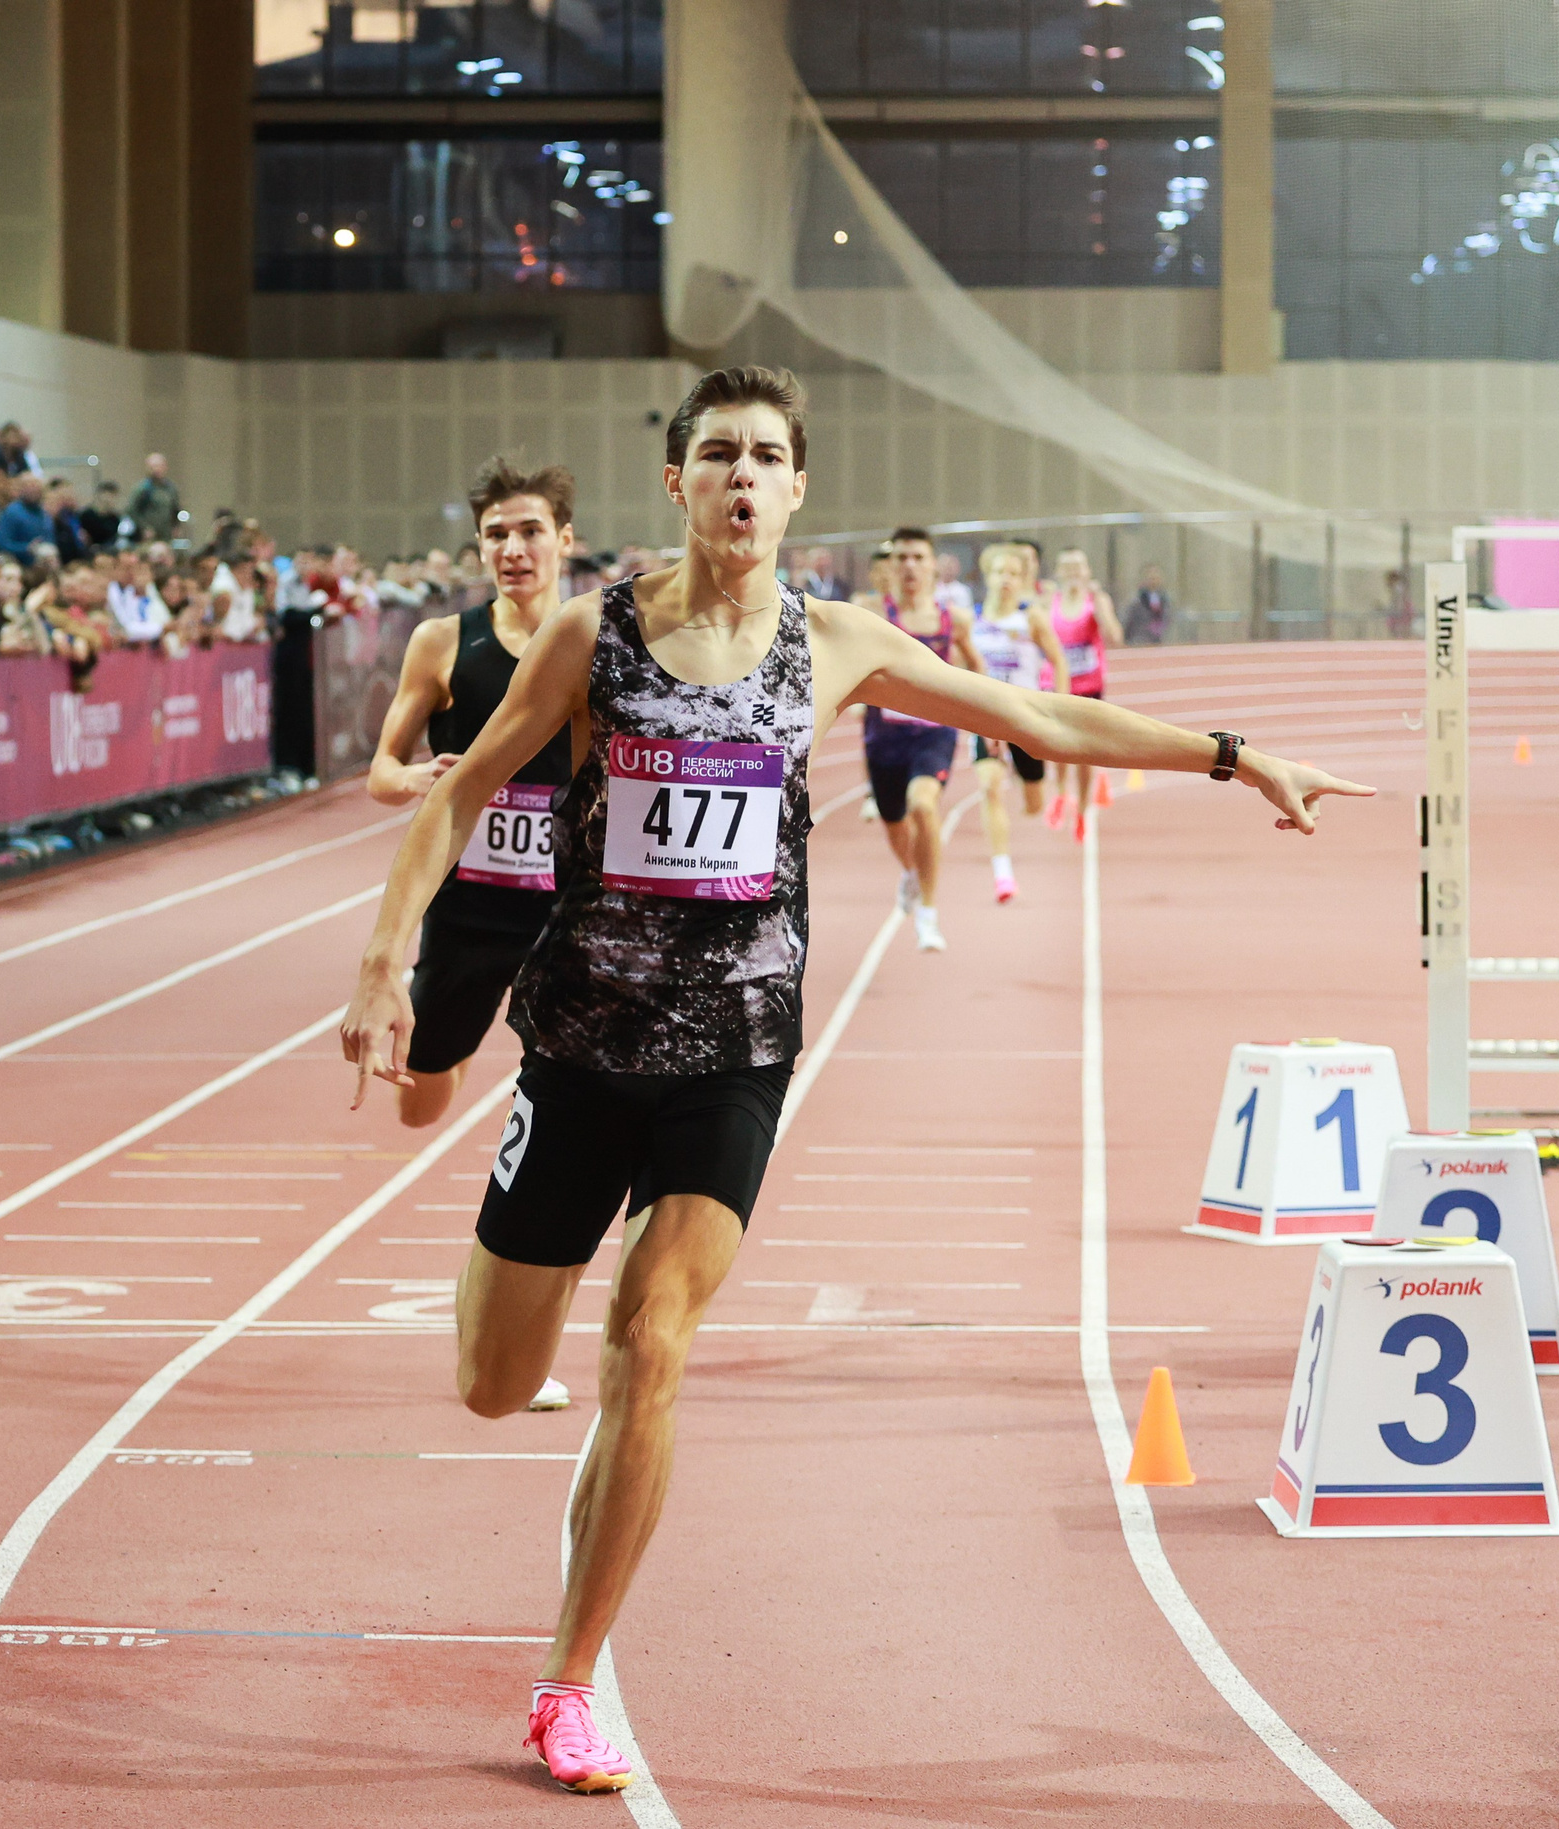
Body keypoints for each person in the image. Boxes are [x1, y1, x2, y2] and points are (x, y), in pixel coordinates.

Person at [337, 367, 1369, 1795]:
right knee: (489, 1383)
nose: (743, 478)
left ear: (798, 486)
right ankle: (538, 1351)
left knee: (653, 1341)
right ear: (678, 484)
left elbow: (1036, 715)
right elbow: (459, 789)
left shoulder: (835, 643)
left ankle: (570, 1682)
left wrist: (1235, 757)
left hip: (739, 1054)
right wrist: (386, 960)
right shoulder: (599, 632)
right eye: (718, 455)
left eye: (768, 456)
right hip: (580, 1047)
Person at [362, 459, 582, 1300]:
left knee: (565, 1102)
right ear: (479, 547)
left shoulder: (594, 639)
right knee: (420, 1100)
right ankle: (452, 1054)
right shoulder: (445, 643)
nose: (514, 549)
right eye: (497, 535)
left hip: (565, 915)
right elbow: (381, 771)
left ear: (564, 540)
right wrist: (419, 780)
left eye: (530, 532)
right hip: (467, 914)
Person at [862, 528, 975, 951]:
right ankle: (911, 872)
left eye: (918, 557)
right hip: (883, 739)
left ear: (932, 566)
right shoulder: (870, 613)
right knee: (895, 826)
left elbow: (975, 673)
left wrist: (994, 730)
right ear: (890, 566)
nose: (909, 565)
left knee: (924, 807)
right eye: (901, 557)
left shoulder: (953, 621)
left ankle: (928, 913)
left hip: (934, 734)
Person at [965, 540, 1066, 903]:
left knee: (1034, 802)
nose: (1005, 579)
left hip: (1025, 715)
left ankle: (1030, 786)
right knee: (990, 787)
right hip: (985, 716)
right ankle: (1003, 873)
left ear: (1023, 580)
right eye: (998, 572)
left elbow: (1059, 660)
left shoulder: (1031, 618)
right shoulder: (972, 619)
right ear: (987, 577)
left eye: (1013, 573)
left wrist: (1060, 706)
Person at [1044, 546, 1125, 839]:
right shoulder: (1049, 602)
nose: (1074, 573)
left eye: (1079, 567)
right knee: (1058, 747)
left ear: (1088, 571)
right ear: (1058, 572)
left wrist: (1102, 611)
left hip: (1089, 685)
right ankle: (1061, 794)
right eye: (1068, 567)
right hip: (1057, 686)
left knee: (1086, 752)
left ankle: (1082, 809)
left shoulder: (1096, 601)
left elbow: (1115, 638)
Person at [1122, 562, 1170, 645]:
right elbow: (1126, 624)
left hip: (1161, 643)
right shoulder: (1135, 602)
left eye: (1156, 577)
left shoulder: (1166, 601)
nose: (1153, 580)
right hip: (1139, 643)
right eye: (1150, 578)